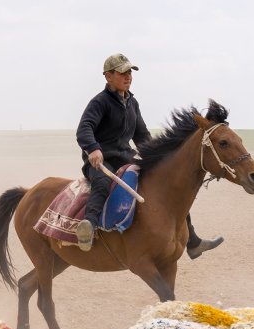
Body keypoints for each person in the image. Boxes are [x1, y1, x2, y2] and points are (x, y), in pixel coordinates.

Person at [74, 53, 223, 258]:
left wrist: (159, 156)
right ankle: (88, 227)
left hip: (126, 157)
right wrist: (93, 148)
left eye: (129, 72)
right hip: (102, 160)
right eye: (122, 73)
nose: (128, 77)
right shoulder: (99, 102)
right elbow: (85, 128)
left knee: (167, 186)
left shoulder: (132, 103)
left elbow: (142, 135)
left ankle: (193, 241)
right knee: (101, 183)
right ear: (108, 76)